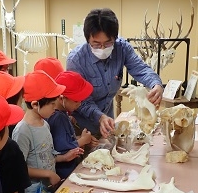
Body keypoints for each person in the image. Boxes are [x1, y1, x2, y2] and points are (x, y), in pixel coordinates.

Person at [66, 8, 164, 138]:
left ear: (115, 38)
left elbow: (140, 68)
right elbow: (81, 101)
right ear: (87, 39)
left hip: (108, 124)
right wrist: (99, 117)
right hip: (81, 129)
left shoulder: (122, 48)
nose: (102, 48)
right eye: (96, 44)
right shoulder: (76, 60)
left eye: (108, 43)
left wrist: (156, 84)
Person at [11, 70, 83, 193]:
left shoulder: (45, 124)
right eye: (52, 105)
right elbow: (19, 169)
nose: (55, 108)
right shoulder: (23, 131)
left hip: (49, 191)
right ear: (35, 104)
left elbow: (45, 156)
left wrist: (63, 158)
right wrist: (48, 174)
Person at [47, 71, 97, 178]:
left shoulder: (63, 113)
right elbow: (63, 149)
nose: (79, 104)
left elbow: (64, 138)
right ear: (61, 99)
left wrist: (82, 138)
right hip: (65, 171)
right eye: (76, 101)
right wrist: (83, 140)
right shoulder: (58, 117)